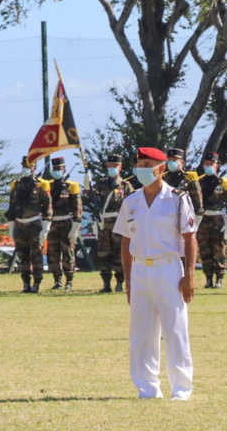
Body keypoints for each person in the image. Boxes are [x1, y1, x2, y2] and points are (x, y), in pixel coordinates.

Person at [113, 147, 196, 401]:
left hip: (169, 269)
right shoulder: (131, 201)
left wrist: (189, 274)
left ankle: (181, 389)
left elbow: (190, 238)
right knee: (141, 332)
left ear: (161, 168)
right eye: (138, 163)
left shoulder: (178, 198)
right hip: (140, 271)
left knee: (175, 330)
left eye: (146, 163)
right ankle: (147, 389)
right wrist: (128, 279)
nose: (140, 168)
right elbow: (126, 242)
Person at [87, 154, 135, 293]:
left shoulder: (125, 185)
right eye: (109, 166)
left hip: (120, 223)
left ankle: (120, 282)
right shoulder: (101, 184)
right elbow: (91, 195)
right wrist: (87, 183)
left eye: (114, 166)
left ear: (120, 168)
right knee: (104, 254)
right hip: (104, 224)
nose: (112, 169)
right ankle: (106, 283)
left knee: (120, 253)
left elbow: (133, 204)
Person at [4, 156, 52, 293]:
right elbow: (12, 206)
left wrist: (46, 226)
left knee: (36, 255)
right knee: (22, 256)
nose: (27, 168)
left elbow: (47, 206)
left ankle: (37, 282)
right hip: (20, 225)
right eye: (24, 166)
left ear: (34, 167)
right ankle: (26, 283)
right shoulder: (16, 184)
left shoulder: (41, 184)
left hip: (34, 224)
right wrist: (11, 226)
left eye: (30, 166)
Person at [47, 157, 82, 291]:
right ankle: (57, 280)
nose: (57, 172)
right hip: (52, 223)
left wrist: (75, 226)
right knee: (53, 252)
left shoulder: (71, 186)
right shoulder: (48, 186)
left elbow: (77, 207)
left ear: (64, 170)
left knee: (68, 252)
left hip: (66, 222)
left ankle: (69, 281)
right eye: (55, 169)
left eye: (59, 169)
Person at [196, 152, 227, 289]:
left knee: (219, 249)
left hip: (218, 219)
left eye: (211, 164)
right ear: (203, 165)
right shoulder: (198, 182)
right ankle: (208, 278)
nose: (209, 166)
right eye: (206, 164)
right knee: (205, 249)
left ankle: (219, 278)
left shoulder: (222, 183)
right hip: (203, 219)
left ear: (217, 166)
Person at [163, 148, 203, 219]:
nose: (171, 162)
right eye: (169, 160)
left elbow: (197, 203)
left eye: (174, 160)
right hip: (164, 214)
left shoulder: (189, 178)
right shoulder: (163, 177)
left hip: (181, 216)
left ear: (182, 162)